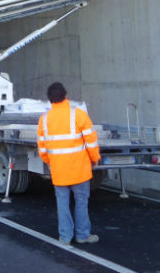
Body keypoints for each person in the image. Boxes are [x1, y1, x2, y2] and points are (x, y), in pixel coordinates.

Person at [37, 82, 101, 245]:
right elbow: (91, 141)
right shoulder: (78, 115)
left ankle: (65, 237)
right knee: (81, 201)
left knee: (62, 203)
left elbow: (42, 148)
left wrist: (51, 162)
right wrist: (94, 158)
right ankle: (82, 235)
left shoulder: (44, 120)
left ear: (49, 99)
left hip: (59, 170)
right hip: (79, 169)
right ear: (65, 96)